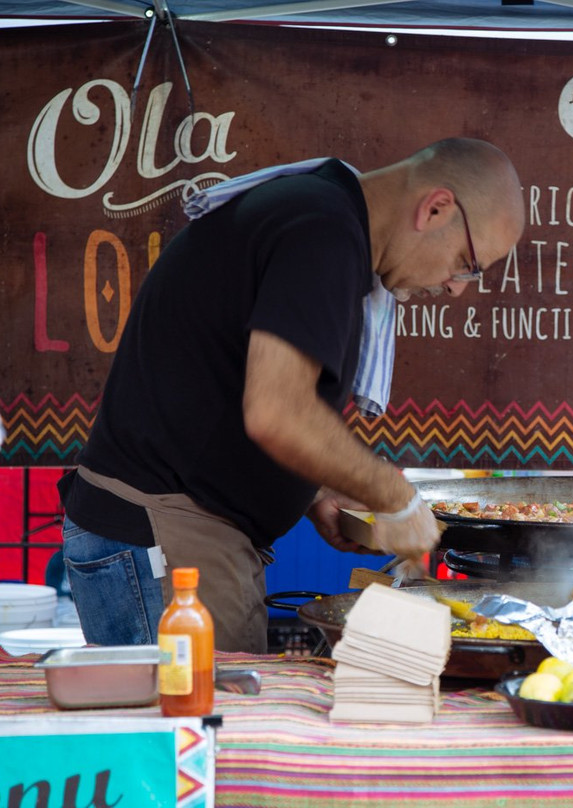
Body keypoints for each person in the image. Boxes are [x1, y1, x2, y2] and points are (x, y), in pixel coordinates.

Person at [58, 138, 526, 653]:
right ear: (435, 208)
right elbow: (278, 412)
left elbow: (221, 389)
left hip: (173, 532)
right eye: (467, 263)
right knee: (201, 730)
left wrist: (317, 493)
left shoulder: (320, 218)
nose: (458, 288)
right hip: (167, 539)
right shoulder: (322, 233)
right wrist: (395, 498)